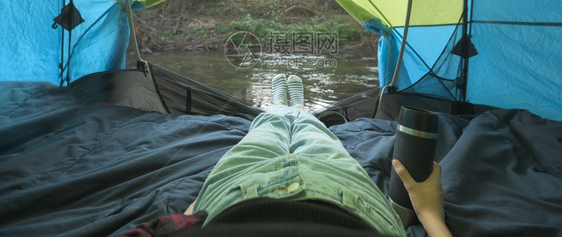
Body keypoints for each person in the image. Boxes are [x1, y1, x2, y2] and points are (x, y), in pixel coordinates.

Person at [123, 75, 451, 237]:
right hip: (352, 206)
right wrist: (430, 215)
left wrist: (197, 209)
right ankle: (298, 107)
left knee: (265, 128)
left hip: (233, 200)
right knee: (316, 133)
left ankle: (280, 105)